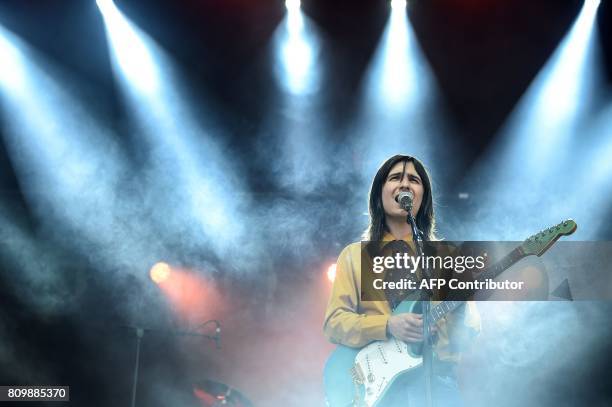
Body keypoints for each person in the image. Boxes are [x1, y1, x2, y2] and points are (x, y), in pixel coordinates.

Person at [323, 154, 480, 407]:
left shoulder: (448, 256)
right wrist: (388, 325)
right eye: (395, 178)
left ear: (423, 196)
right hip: (378, 385)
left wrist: (452, 320)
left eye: (414, 180)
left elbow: (470, 332)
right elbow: (334, 323)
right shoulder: (354, 256)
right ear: (379, 194)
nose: (405, 184)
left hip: (436, 382)